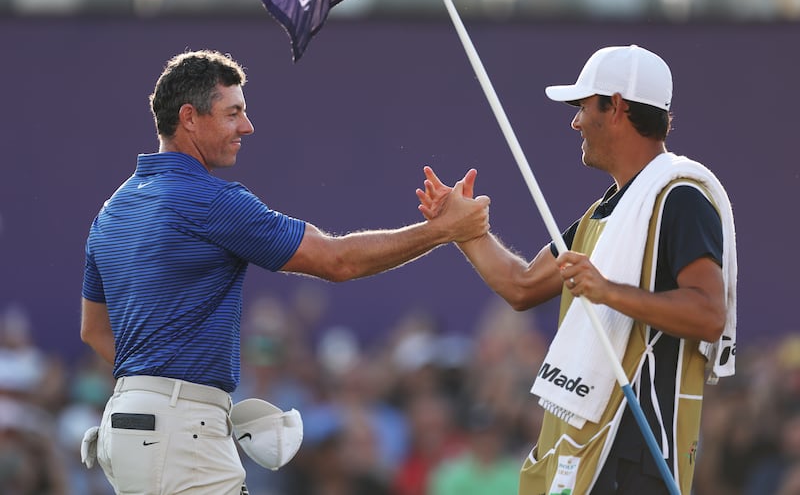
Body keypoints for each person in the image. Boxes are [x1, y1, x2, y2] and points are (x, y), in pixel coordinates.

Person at [79, 49, 490, 495]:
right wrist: (443, 230)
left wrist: (163, 388)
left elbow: (94, 332)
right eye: (233, 113)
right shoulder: (210, 201)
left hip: (125, 425)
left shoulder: (112, 209)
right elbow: (337, 260)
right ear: (189, 118)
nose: (247, 126)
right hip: (178, 435)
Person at [417, 45, 737, 494]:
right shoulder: (605, 210)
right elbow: (522, 285)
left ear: (618, 107)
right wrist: (464, 230)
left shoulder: (680, 197)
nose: (575, 122)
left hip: (637, 451)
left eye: (584, 107)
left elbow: (708, 313)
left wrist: (607, 290)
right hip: (585, 447)